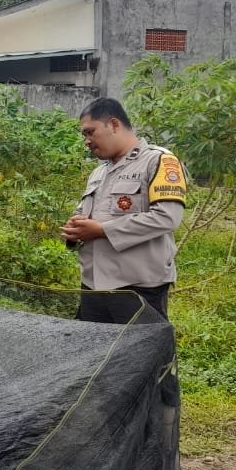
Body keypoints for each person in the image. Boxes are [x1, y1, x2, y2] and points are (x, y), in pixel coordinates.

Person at [61, 97, 187, 323]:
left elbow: (167, 217)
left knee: (141, 355)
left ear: (114, 124)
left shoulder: (158, 161)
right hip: (93, 286)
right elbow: (85, 215)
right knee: (96, 354)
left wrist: (101, 230)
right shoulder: (99, 172)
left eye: (90, 132)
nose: (87, 141)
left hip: (137, 288)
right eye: (84, 135)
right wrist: (75, 229)